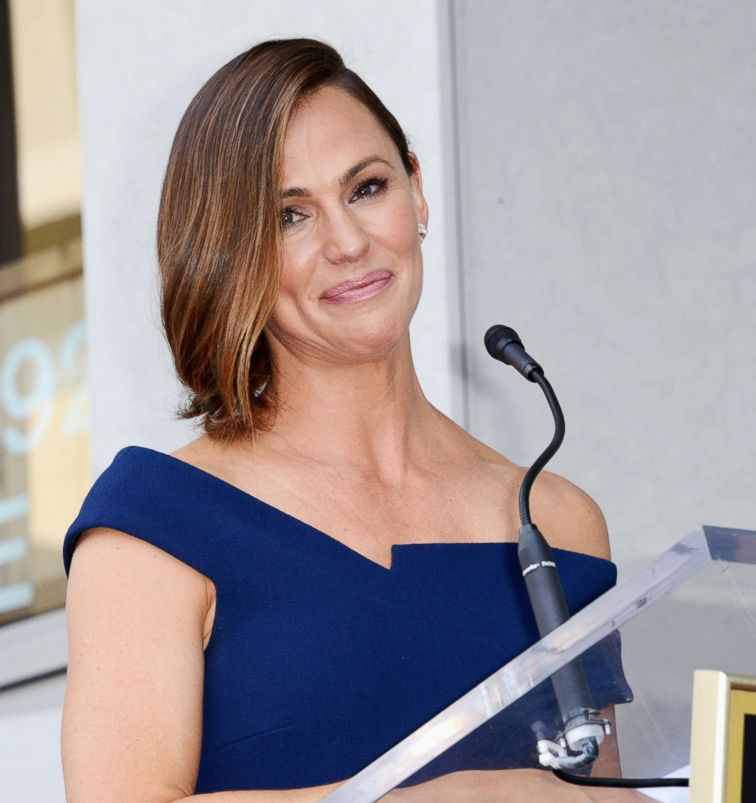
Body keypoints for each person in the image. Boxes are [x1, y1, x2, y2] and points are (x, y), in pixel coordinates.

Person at [61, 38, 631, 801]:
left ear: (417, 191)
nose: (349, 242)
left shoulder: (556, 518)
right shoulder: (154, 522)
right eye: (291, 216)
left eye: (366, 188)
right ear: (231, 256)